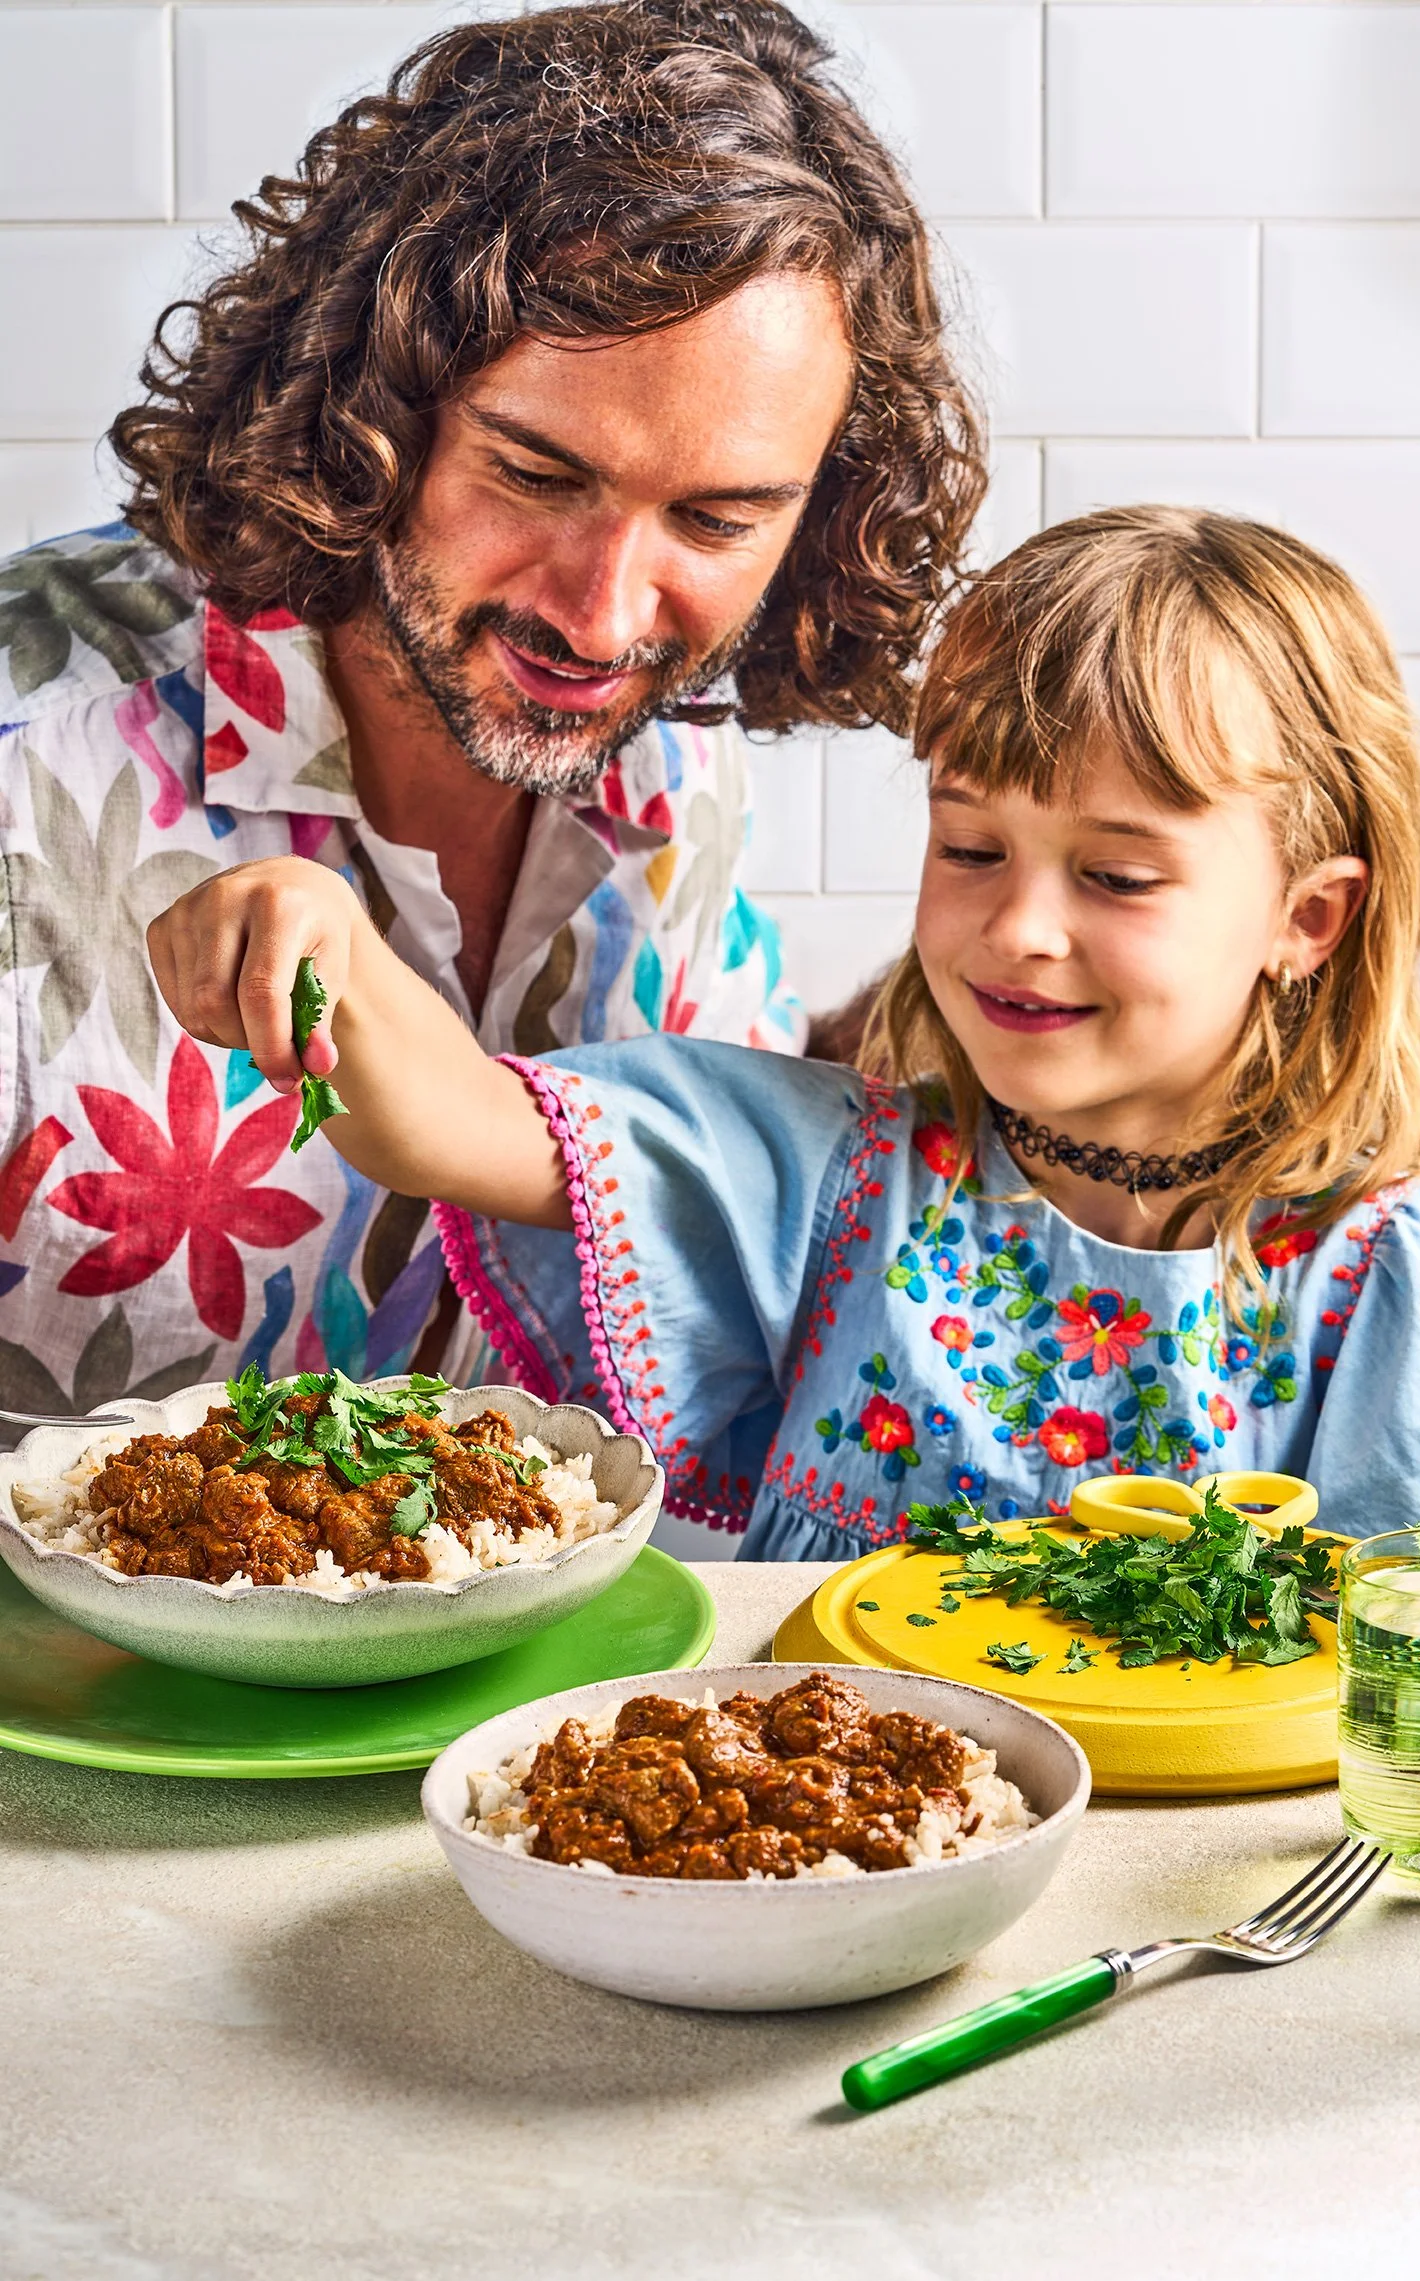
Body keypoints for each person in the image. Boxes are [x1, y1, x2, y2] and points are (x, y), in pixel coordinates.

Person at [149, 507, 1420, 1552]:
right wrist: (314, 920)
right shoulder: (834, 1173)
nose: (1019, 927)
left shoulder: (1400, 1285)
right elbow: (444, 1121)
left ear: (1310, 920)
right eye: (972, 845)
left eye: (1115, 875)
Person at [0, 0, 982, 1428]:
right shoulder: (30, 761)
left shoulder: (673, 746)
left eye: (716, 517)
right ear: (371, 401)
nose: (603, 615)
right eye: (534, 474)